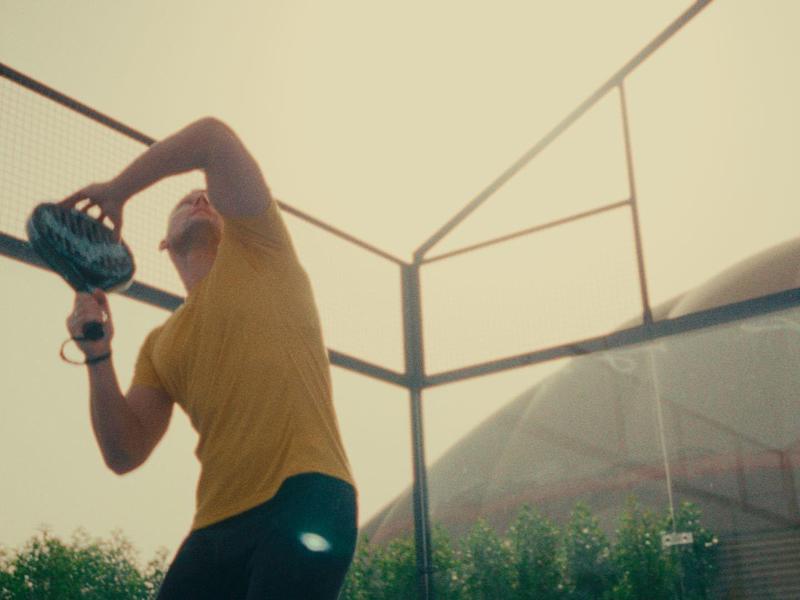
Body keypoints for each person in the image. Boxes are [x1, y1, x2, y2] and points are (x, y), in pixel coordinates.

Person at [62, 117, 358, 599]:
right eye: (184, 202)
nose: (199, 199)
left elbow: (212, 138)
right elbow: (123, 452)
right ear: (163, 244)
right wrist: (98, 355)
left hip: (305, 495)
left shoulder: (262, 247)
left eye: (208, 198)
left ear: (230, 217)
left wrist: (118, 189)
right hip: (216, 525)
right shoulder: (161, 343)